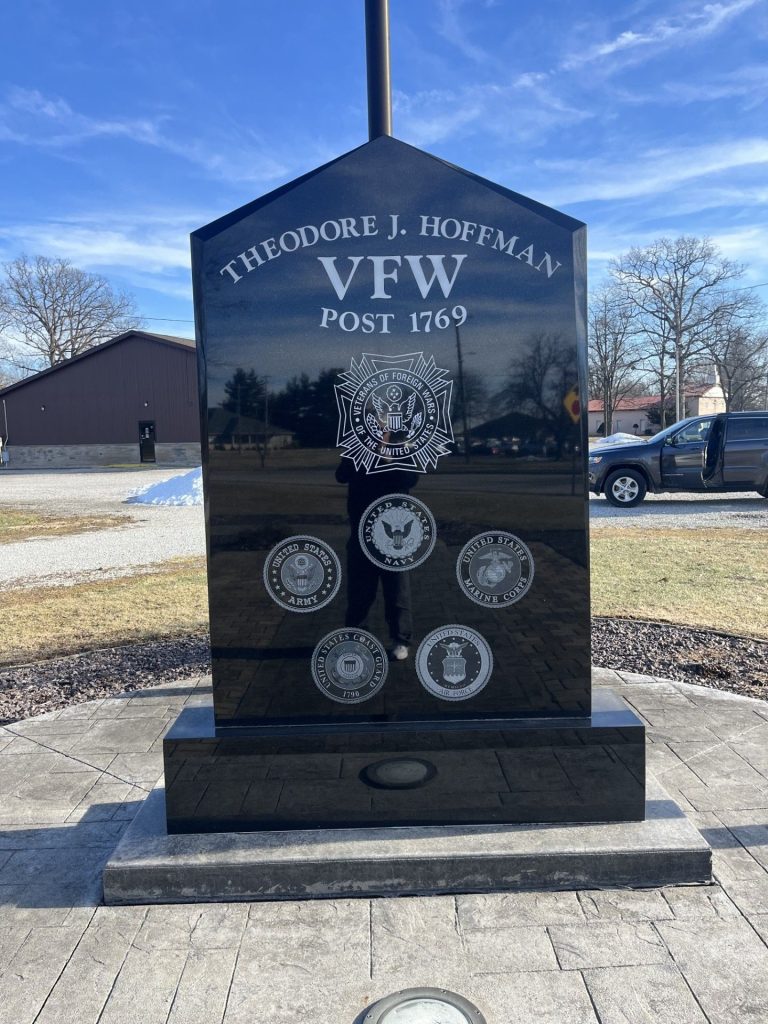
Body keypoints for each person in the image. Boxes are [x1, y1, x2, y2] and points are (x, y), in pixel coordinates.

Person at [336, 455, 418, 660]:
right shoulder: (357, 449)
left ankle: (400, 639)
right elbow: (341, 475)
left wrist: (389, 461)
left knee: (397, 589)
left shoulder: (402, 449)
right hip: (361, 530)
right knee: (359, 591)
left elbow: (410, 479)